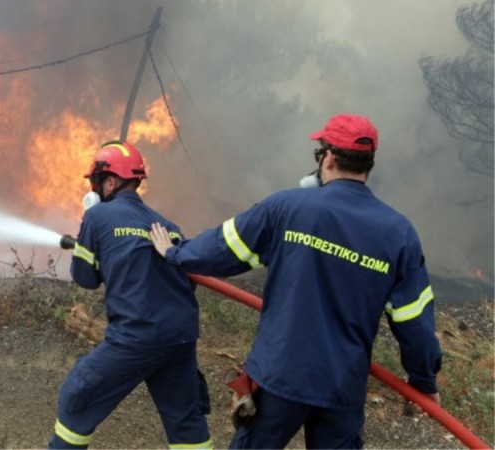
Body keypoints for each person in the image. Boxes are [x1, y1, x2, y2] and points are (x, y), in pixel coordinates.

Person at [148, 114, 442, 449]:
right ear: (368, 165)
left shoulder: (286, 207)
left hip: (279, 377)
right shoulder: (399, 233)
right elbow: (415, 323)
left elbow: (222, 250)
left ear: (327, 157)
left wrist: (175, 254)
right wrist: (423, 381)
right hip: (341, 386)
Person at [48, 140, 212, 449]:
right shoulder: (169, 227)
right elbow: (185, 281)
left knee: (78, 395)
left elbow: (85, 278)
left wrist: (89, 228)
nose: (95, 190)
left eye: (97, 183)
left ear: (110, 181)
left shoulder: (98, 217)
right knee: (187, 424)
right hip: (180, 338)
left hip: (136, 337)